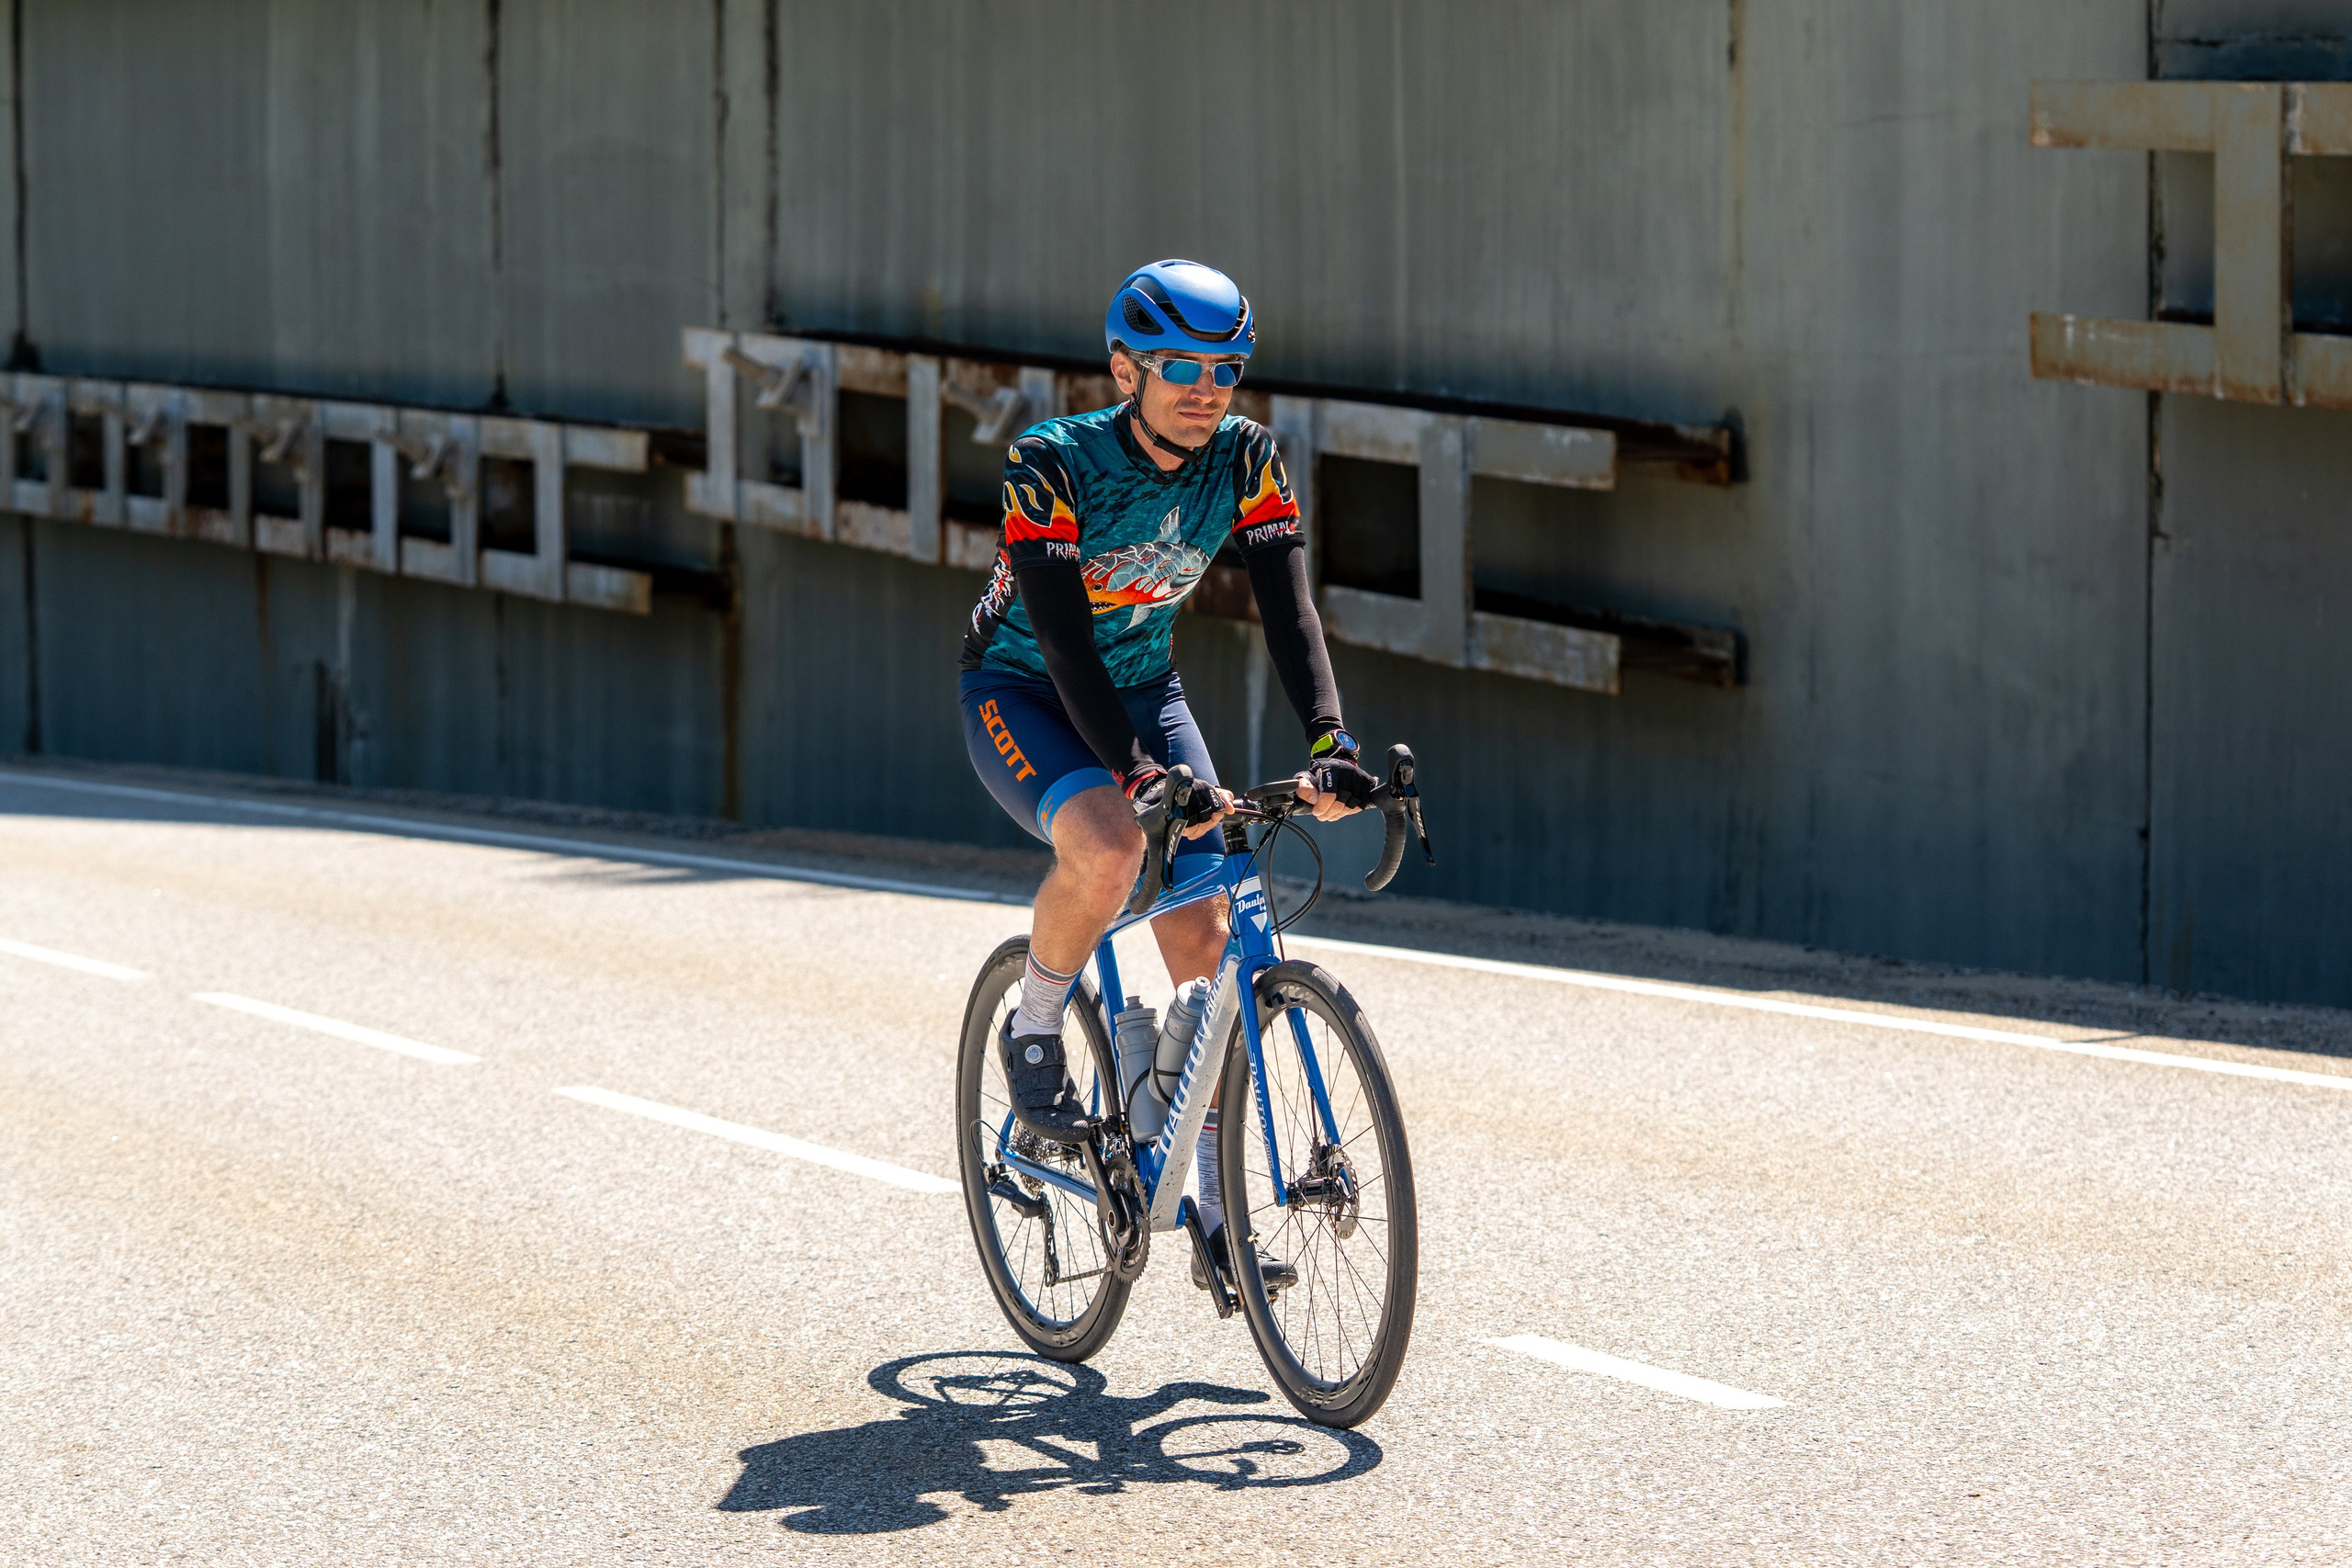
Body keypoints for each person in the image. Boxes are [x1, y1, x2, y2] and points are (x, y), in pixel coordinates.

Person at [957, 259, 1380, 1293]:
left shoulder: (1245, 459)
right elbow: (1061, 644)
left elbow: (1288, 609)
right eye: (1180, 365)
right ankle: (1038, 1024)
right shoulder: (1051, 462)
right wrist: (1139, 776)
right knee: (1109, 848)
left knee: (1206, 938)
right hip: (1024, 690)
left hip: (1144, 687)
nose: (1205, 387)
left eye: (1225, 369)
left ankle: (1201, 1203)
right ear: (1123, 368)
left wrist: (1330, 742)